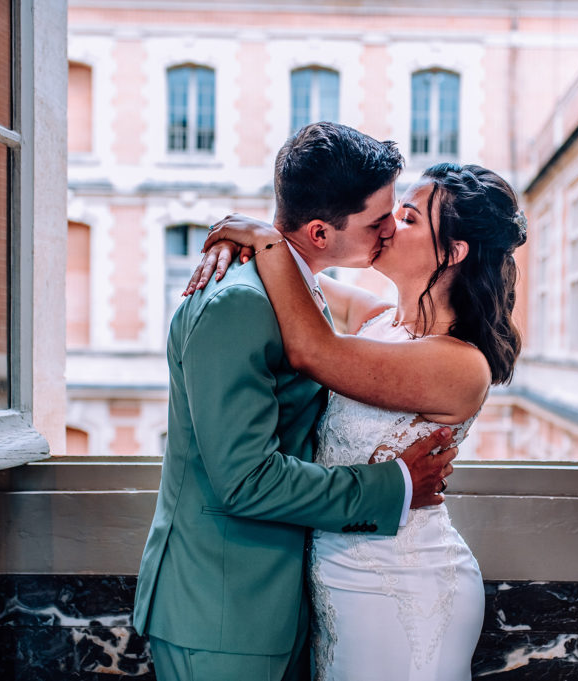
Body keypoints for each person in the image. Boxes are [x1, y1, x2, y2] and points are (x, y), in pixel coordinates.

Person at [133, 122, 460, 681]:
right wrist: (394, 485)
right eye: (377, 221)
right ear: (318, 232)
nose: (388, 232)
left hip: (277, 601)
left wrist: (261, 236)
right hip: (223, 610)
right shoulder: (239, 304)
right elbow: (244, 479)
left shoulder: (294, 289)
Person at [194, 161, 527, 680]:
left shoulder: (460, 364)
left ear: (453, 252)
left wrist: (261, 238)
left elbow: (309, 346)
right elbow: (297, 272)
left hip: (404, 584)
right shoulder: (376, 319)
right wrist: (238, 242)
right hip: (336, 580)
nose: (390, 224)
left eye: (411, 218)